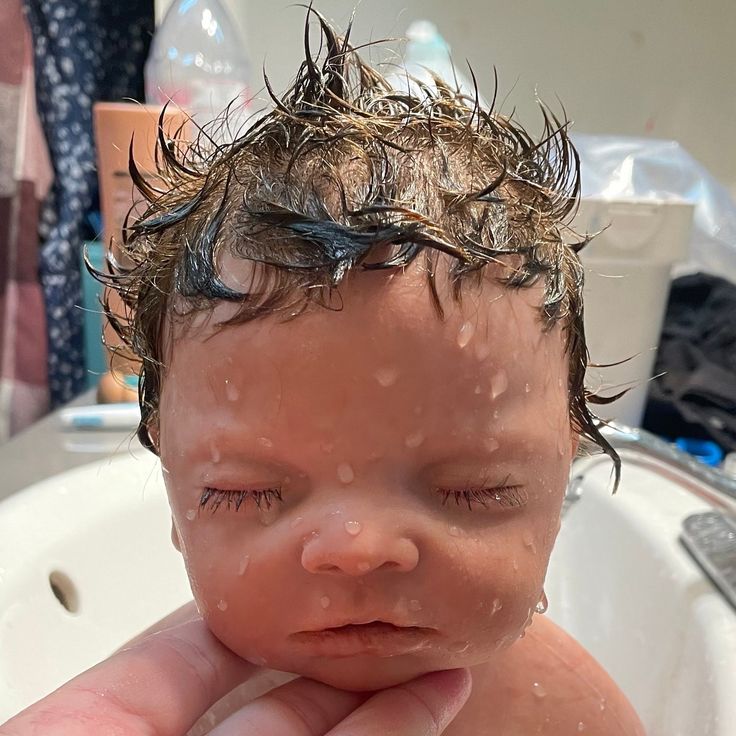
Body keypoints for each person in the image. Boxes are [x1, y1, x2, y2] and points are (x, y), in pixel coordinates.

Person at [3, 8, 646, 734]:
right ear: (174, 486)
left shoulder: (563, 712)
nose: (356, 549)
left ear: (565, 466)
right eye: (241, 494)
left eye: (475, 490)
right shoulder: (166, 709)